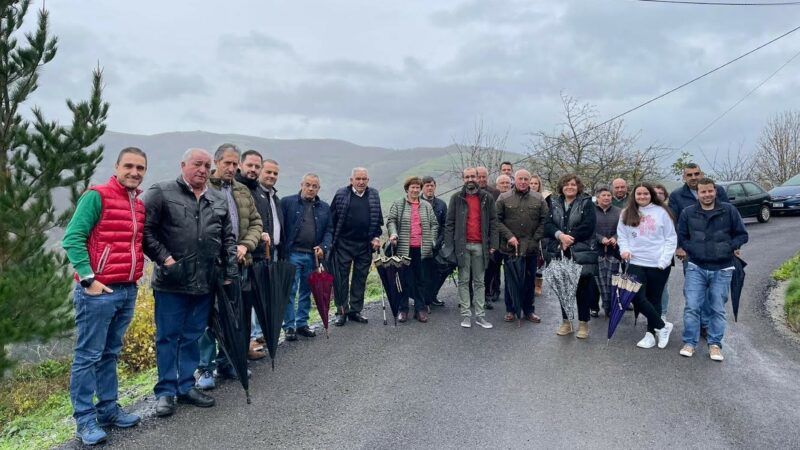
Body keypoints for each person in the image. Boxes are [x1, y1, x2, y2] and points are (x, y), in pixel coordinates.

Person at [143, 148, 238, 417]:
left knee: (192, 337)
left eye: (207, 165)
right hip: (171, 283)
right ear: (183, 164)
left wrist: (229, 271)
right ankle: (165, 392)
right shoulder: (161, 192)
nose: (203, 169)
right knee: (167, 337)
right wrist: (166, 260)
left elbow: (228, 239)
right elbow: (146, 231)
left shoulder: (217, 199)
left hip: (205, 282)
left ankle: (186, 385)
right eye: (197, 164)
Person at [62, 148, 148, 445]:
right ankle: (85, 421)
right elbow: (72, 237)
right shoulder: (96, 196)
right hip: (98, 292)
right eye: (129, 166)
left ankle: (109, 410)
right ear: (117, 166)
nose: (134, 172)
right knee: (88, 356)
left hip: (127, 290)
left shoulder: (138, 204)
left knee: (110, 353)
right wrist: (89, 279)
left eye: (140, 168)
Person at [196, 144, 262, 389]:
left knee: (234, 316)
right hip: (211, 266)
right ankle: (205, 368)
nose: (232, 168)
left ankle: (229, 361)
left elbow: (256, 223)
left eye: (235, 164)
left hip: (240, 263)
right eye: (227, 163)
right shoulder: (204, 188)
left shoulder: (243, 190)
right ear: (216, 162)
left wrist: (245, 245)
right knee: (208, 317)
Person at [677, 178, 748, 361]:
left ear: (715, 191)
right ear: (697, 193)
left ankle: (715, 344)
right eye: (703, 192)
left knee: (717, 308)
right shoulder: (688, 212)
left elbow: (742, 234)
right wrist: (691, 249)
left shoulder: (729, 210)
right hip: (696, 266)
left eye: (710, 191)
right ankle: (690, 343)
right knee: (692, 306)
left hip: (723, 267)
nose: (707, 195)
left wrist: (728, 247)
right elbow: (682, 236)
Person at [668, 163, 730, 336]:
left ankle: (710, 321)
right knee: (696, 290)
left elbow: (728, 217)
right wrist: (679, 246)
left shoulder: (716, 190)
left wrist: (733, 246)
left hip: (718, 250)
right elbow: (674, 223)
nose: (694, 177)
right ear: (684, 177)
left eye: (696, 173)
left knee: (715, 290)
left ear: (701, 173)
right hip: (692, 251)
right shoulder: (677, 196)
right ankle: (703, 324)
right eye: (689, 175)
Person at [617, 183, 676, 349]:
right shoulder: (626, 213)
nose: (642, 197)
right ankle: (663, 326)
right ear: (634, 196)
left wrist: (664, 261)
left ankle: (650, 334)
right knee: (635, 297)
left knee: (654, 299)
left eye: (645, 194)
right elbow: (622, 237)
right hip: (636, 262)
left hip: (658, 264)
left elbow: (671, 238)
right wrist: (625, 250)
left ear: (651, 195)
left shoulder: (662, 212)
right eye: (639, 194)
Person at [237, 155, 283, 353]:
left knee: (259, 299)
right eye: (251, 165)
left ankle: (254, 339)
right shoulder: (242, 189)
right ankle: (246, 344)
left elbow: (261, 222)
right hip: (248, 254)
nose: (254, 169)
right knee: (245, 302)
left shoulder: (266, 195)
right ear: (241, 165)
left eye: (257, 166)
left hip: (266, 252)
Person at [544, 174, 598, 339]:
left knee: (582, 288)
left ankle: (583, 324)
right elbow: (547, 224)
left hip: (580, 251)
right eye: (566, 184)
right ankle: (566, 322)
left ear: (578, 187)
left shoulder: (586, 203)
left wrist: (570, 238)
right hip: (559, 249)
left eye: (573, 184)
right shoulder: (553, 203)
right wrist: (560, 236)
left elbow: (588, 226)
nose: (570, 187)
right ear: (561, 187)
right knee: (563, 288)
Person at [444, 167, 498, 329]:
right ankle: (466, 315)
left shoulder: (487, 198)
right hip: (462, 246)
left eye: (472, 176)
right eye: (466, 177)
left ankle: (480, 316)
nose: (470, 179)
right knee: (463, 281)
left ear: (478, 178)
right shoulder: (456, 198)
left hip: (481, 246)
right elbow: (449, 224)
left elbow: (494, 222)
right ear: (463, 179)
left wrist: (493, 244)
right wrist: (449, 246)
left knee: (480, 282)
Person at [281, 173, 333, 340]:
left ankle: (301, 323)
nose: (311, 188)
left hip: (313, 256)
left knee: (306, 290)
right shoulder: (287, 202)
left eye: (314, 186)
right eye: (308, 184)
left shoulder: (324, 207)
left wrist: (324, 247)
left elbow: (329, 231)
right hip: (292, 253)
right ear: (301, 184)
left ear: (319, 188)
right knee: (290, 290)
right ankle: (289, 327)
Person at [330, 167, 384, 326]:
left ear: (368, 180)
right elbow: (332, 219)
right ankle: (341, 312)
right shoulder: (341, 194)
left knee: (360, 278)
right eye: (358, 179)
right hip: (343, 244)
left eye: (364, 179)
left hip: (364, 244)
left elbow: (378, 219)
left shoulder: (374, 195)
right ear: (351, 180)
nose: (361, 182)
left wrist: (375, 237)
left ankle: (355, 311)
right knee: (341, 279)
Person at [495, 169, 548, 323]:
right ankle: (510, 310)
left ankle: (529, 310)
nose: (523, 182)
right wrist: (509, 236)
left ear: (529, 180)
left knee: (529, 280)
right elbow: (496, 221)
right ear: (515, 180)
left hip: (531, 248)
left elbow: (545, 221)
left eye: (526, 179)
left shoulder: (539, 199)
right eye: (520, 179)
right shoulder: (504, 198)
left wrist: (535, 239)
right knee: (511, 280)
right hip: (510, 247)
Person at [386, 176, 438, 322]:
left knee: (421, 280)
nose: (415, 190)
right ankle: (403, 309)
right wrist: (393, 233)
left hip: (422, 249)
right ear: (407, 189)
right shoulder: (399, 204)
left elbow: (434, 224)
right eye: (412, 187)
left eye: (417, 187)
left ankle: (420, 309)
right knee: (403, 280)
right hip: (404, 249)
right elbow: (391, 221)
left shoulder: (426, 206)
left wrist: (432, 240)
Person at [592, 185, 621, 316]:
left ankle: (609, 307)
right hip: (595, 251)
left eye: (609, 195)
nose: (606, 198)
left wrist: (615, 238)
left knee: (611, 281)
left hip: (613, 252)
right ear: (597, 198)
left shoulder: (619, 212)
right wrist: (600, 238)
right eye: (603, 195)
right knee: (596, 281)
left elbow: (623, 229)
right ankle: (594, 308)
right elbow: (589, 230)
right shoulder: (591, 211)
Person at [421, 175, 448, 307]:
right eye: (427, 185)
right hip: (420, 246)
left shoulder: (441, 204)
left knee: (440, 271)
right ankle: (423, 300)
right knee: (423, 274)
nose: (430, 188)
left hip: (437, 246)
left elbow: (445, 226)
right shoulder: (416, 202)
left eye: (432, 185)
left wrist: (439, 241)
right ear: (422, 188)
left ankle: (433, 295)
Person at [476, 166, 501, 307]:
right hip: (473, 237)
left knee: (489, 268)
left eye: (484, 176)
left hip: (490, 237)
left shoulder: (495, 193)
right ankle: (470, 296)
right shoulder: (469, 192)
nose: (481, 179)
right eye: (479, 176)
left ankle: (485, 296)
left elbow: (496, 219)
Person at [654, 184, 672, 321]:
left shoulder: (669, 212)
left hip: (664, 255)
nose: (658, 195)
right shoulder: (642, 211)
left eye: (661, 192)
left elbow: (672, 235)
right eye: (656, 192)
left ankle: (663, 313)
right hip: (646, 256)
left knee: (663, 286)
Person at [530, 174, 547, 296]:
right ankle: (529, 283)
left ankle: (538, 285)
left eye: (536, 183)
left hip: (542, 234)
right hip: (528, 233)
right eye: (531, 183)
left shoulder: (545, 198)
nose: (533, 185)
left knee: (540, 260)